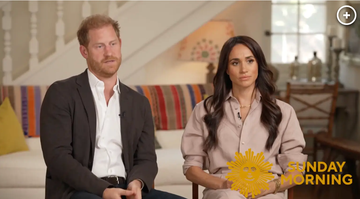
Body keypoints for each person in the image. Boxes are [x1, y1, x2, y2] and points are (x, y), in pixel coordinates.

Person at [40, 14, 186, 199]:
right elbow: (57, 158)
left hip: (127, 188)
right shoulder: (61, 93)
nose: (109, 52)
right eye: (99, 46)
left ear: (120, 44)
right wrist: (103, 190)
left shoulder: (139, 103)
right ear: (84, 51)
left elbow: (147, 159)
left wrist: (137, 183)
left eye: (113, 43)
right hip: (80, 190)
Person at [181, 36, 307, 199]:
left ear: (259, 65)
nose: (243, 69)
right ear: (226, 69)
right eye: (235, 63)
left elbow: (296, 171)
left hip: (268, 191)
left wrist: (267, 188)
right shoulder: (204, 110)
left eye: (249, 61)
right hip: (223, 191)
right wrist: (224, 184)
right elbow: (191, 168)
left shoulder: (284, 112)